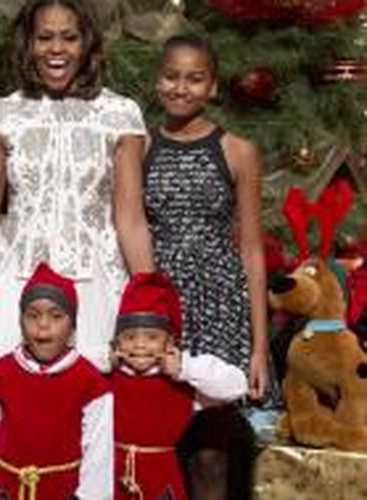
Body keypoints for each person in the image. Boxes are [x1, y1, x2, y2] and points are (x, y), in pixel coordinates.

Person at [0, 0, 153, 372]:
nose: (56, 49)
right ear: (29, 44)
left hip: (95, 283)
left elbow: (130, 219)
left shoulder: (120, 114)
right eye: (44, 37)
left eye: (69, 37)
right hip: (15, 281)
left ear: (87, 43)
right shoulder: (3, 114)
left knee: (89, 406)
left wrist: (149, 302)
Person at [143, 35, 268, 499]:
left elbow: (252, 249)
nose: (181, 87)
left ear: (213, 87)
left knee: (211, 452)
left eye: (195, 79)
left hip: (218, 308)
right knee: (157, 436)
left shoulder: (238, 151)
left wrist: (258, 347)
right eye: (172, 76)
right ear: (158, 81)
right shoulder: (140, 147)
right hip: (161, 305)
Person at [0, 261, 113, 500]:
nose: (43, 325)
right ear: (20, 322)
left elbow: (98, 458)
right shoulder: (2, 374)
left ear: (72, 326)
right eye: (33, 315)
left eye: (56, 316)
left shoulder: (91, 383)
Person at [110, 272, 248, 500]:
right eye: (130, 337)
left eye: (152, 337)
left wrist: (185, 368)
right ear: (117, 342)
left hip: (162, 484)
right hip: (114, 480)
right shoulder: (108, 380)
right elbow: (76, 363)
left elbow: (237, 385)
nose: (140, 345)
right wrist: (107, 359)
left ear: (170, 342)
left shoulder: (181, 386)